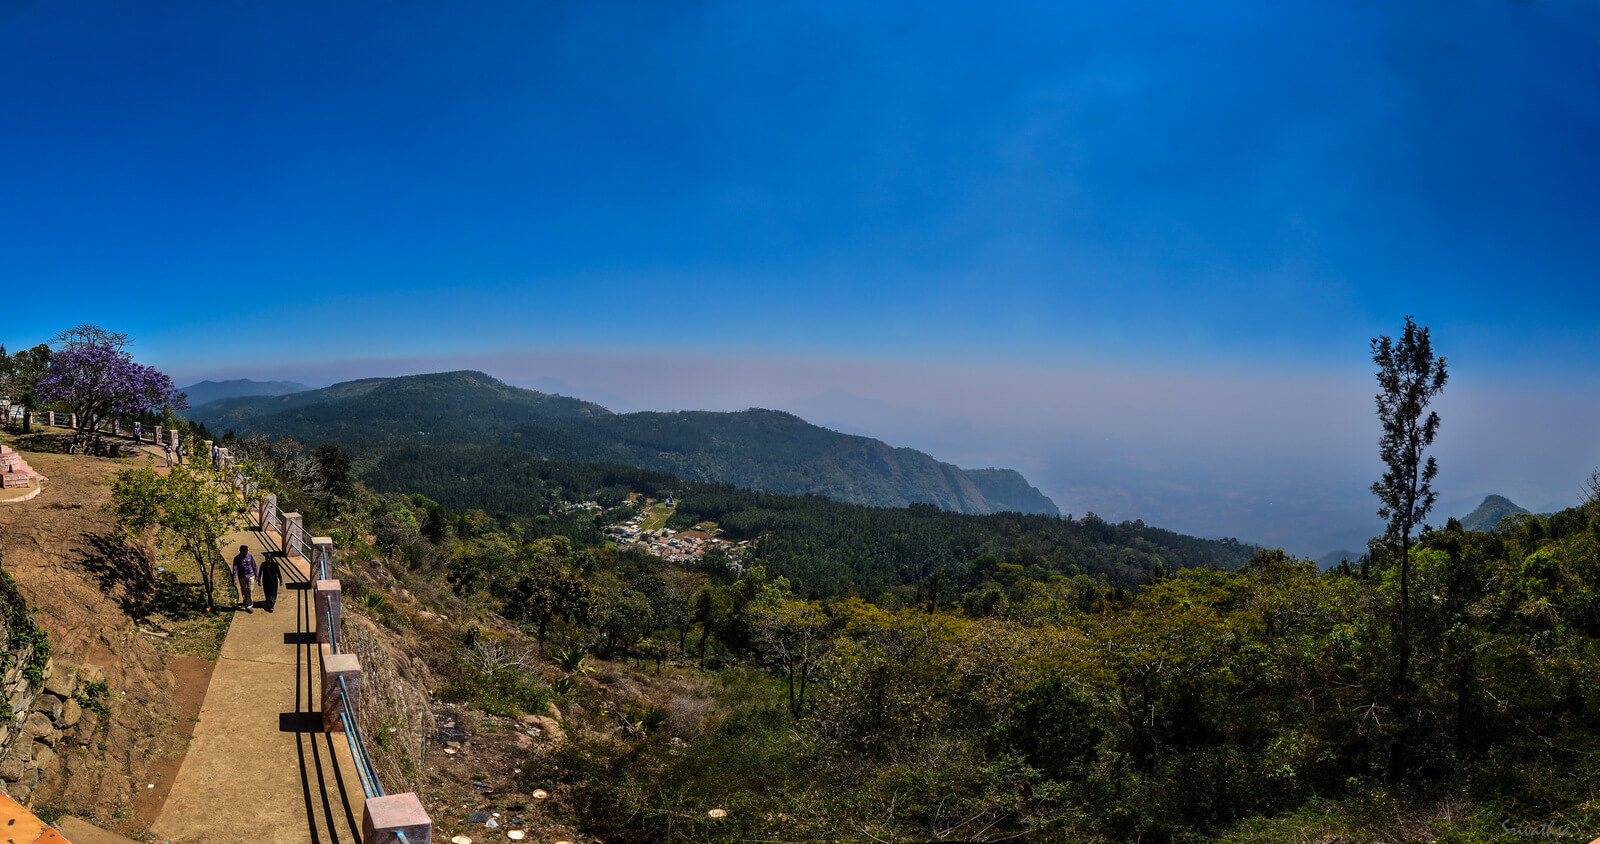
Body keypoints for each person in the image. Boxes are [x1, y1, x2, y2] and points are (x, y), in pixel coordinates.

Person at [232, 544, 258, 613]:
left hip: (250, 576)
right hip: (242, 577)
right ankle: (245, 601)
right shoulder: (237, 558)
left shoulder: (250, 556)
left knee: (250, 590)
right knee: (244, 590)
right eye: (243, 551)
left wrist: (256, 575)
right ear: (240, 551)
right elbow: (234, 569)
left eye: (246, 551)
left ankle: (249, 606)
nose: (244, 553)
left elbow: (254, 565)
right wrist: (234, 578)